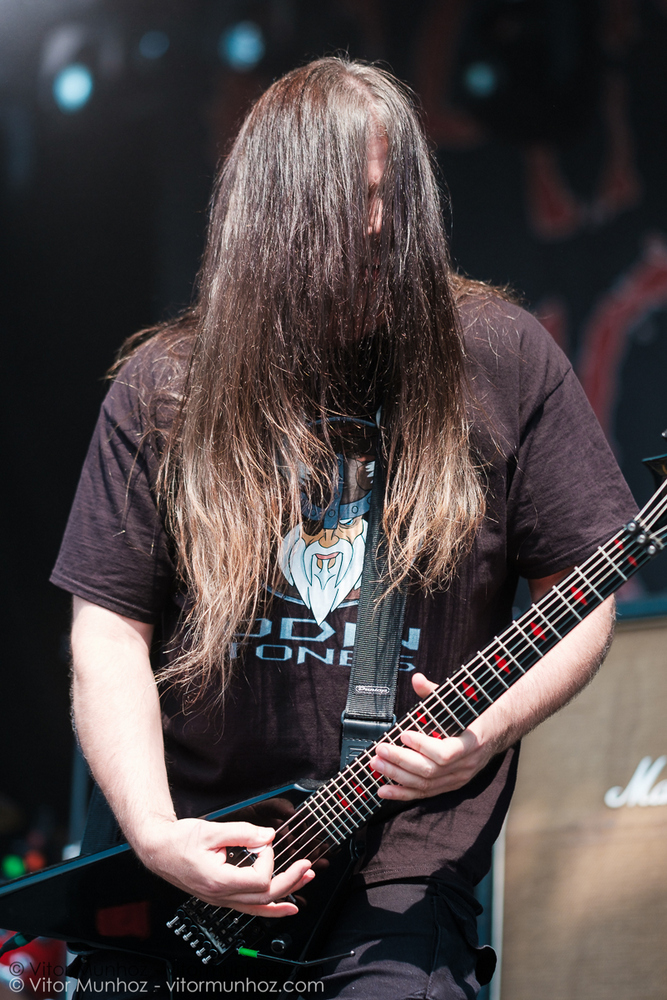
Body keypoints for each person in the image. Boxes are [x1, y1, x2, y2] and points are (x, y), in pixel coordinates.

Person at [51, 58, 635, 999]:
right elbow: (110, 626)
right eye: (349, 201)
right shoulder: (163, 385)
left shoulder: (499, 356)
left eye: (392, 196)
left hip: (399, 874)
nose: (377, 226)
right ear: (270, 213)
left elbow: (584, 587)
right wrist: (157, 835)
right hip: (197, 849)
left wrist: (486, 732)